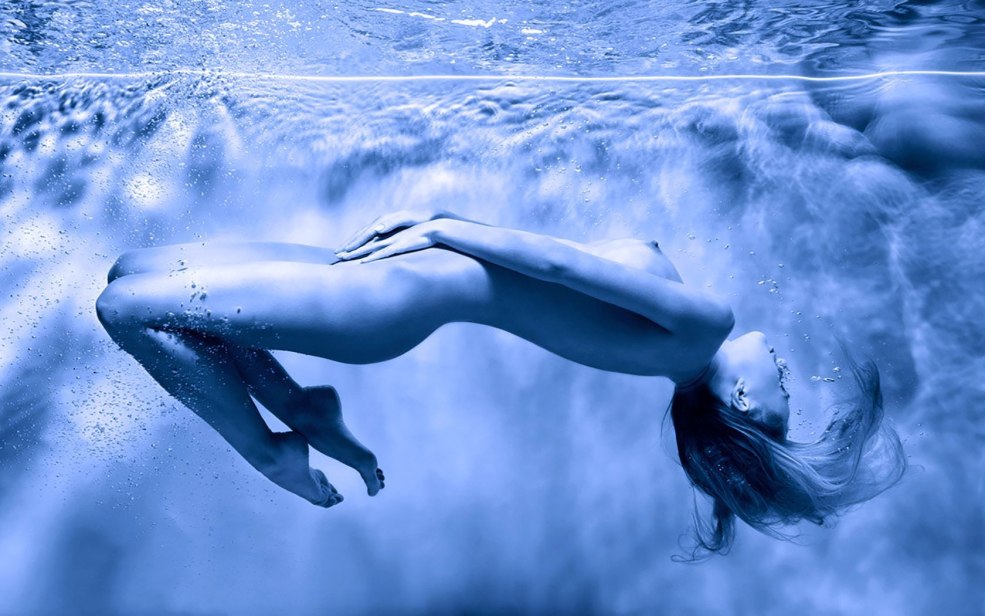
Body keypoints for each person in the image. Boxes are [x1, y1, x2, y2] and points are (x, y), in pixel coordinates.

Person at [95, 209, 905, 556]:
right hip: (393, 284)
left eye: (783, 403)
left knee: (126, 308)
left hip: (384, 299)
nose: (789, 379)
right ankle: (303, 407)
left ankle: (270, 451)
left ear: (738, 402)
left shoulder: (703, 329)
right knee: (137, 272)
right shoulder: (671, 351)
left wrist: (444, 221)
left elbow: (555, 263)